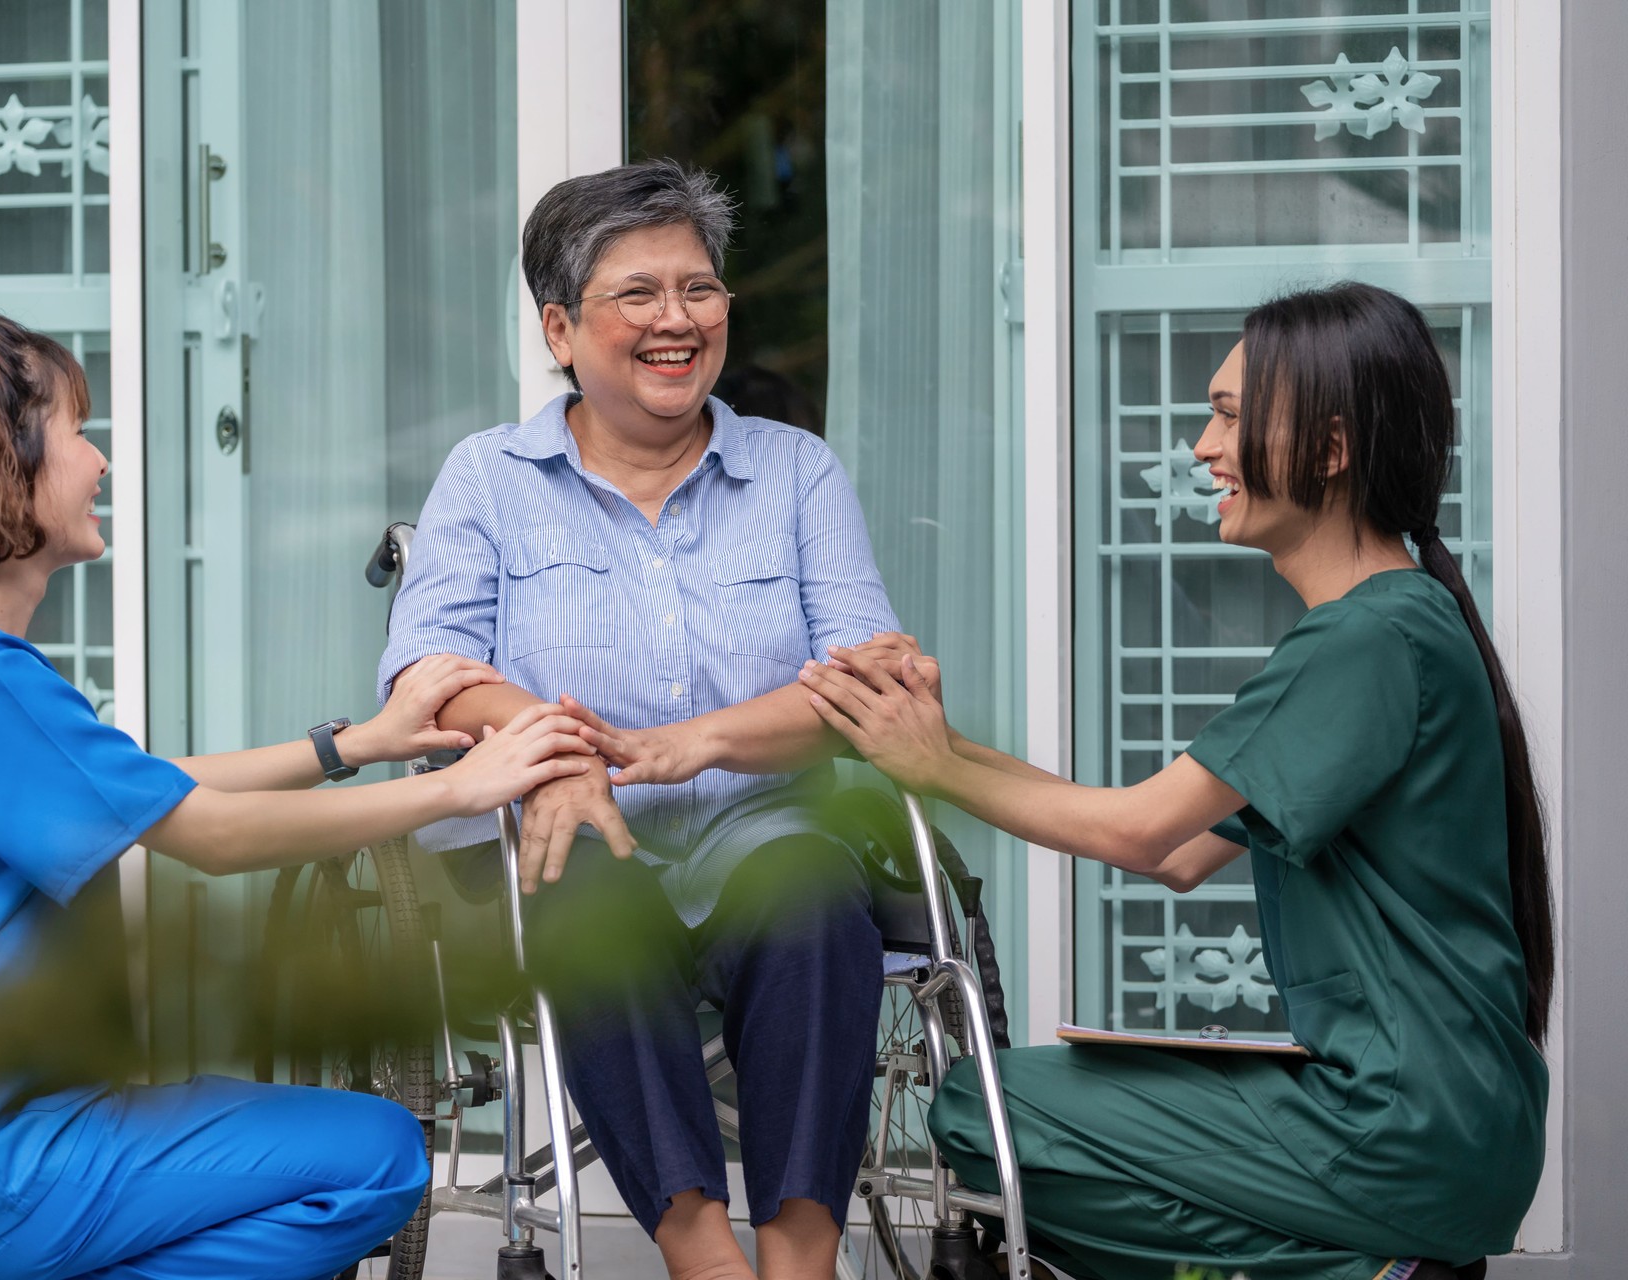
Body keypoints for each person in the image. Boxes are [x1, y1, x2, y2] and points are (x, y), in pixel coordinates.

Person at [0, 311, 600, 1280]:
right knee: (376, 1156)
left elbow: (133, 789)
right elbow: (210, 835)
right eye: (74, 434)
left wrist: (355, 744)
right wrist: (460, 789)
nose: (99, 463)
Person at [802, 282, 1550, 1280]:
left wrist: (935, 763)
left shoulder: (1371, 636)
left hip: (1396, 1124)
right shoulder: (1393, 623)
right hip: (1444, 1123)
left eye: (1231, 415)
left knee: (984, 1106)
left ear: (1329, 449)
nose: (1202, 444)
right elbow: (1188, 852)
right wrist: (939, 745)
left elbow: (1141, 834)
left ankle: (1352, 1271)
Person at [377, 158, 904, 1280]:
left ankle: (801, 1257)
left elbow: (865, 682)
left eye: (699, 289)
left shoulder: (797, 473)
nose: (679, 320)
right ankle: (703, 1255)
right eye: (640, 294)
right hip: (567, 840)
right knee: (583, 885)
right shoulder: (488, 478)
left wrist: (697, 741)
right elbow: (428, 672)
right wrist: (556, 752)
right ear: (560, 328)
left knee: (814, 893)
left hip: (760, 826)